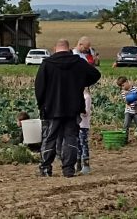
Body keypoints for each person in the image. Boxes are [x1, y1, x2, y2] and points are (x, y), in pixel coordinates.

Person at [35, 39, 101, 177]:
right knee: (70, 137)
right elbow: (96, 74)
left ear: (55, 48)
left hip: (53, 107)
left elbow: (39, 87)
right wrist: (81, 81)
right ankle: (68, 169)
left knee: (50, 137)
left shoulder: (47, 64)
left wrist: (42, 105)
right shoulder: (77, 62)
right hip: (73, 107)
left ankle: (46, 168)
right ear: (68, 48)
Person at [116, 76, 137, 144]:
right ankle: (125, 140)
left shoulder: (135, 89)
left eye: (123, 85)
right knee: (126, 125)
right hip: (128, 110)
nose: (122, 87)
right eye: (121, 86)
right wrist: (129, 98)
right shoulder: (123, 92)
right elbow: (126, 101)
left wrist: (135, 96)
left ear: (127, 81)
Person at [76, 88, 92, 174]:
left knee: (83, 144)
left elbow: (86, 113)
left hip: (83, 124)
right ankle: (78, 164)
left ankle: (86, 165)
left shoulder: (87, 97)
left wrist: (77, 109)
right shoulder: (79, 97)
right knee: (78, 144)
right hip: (77, 124)